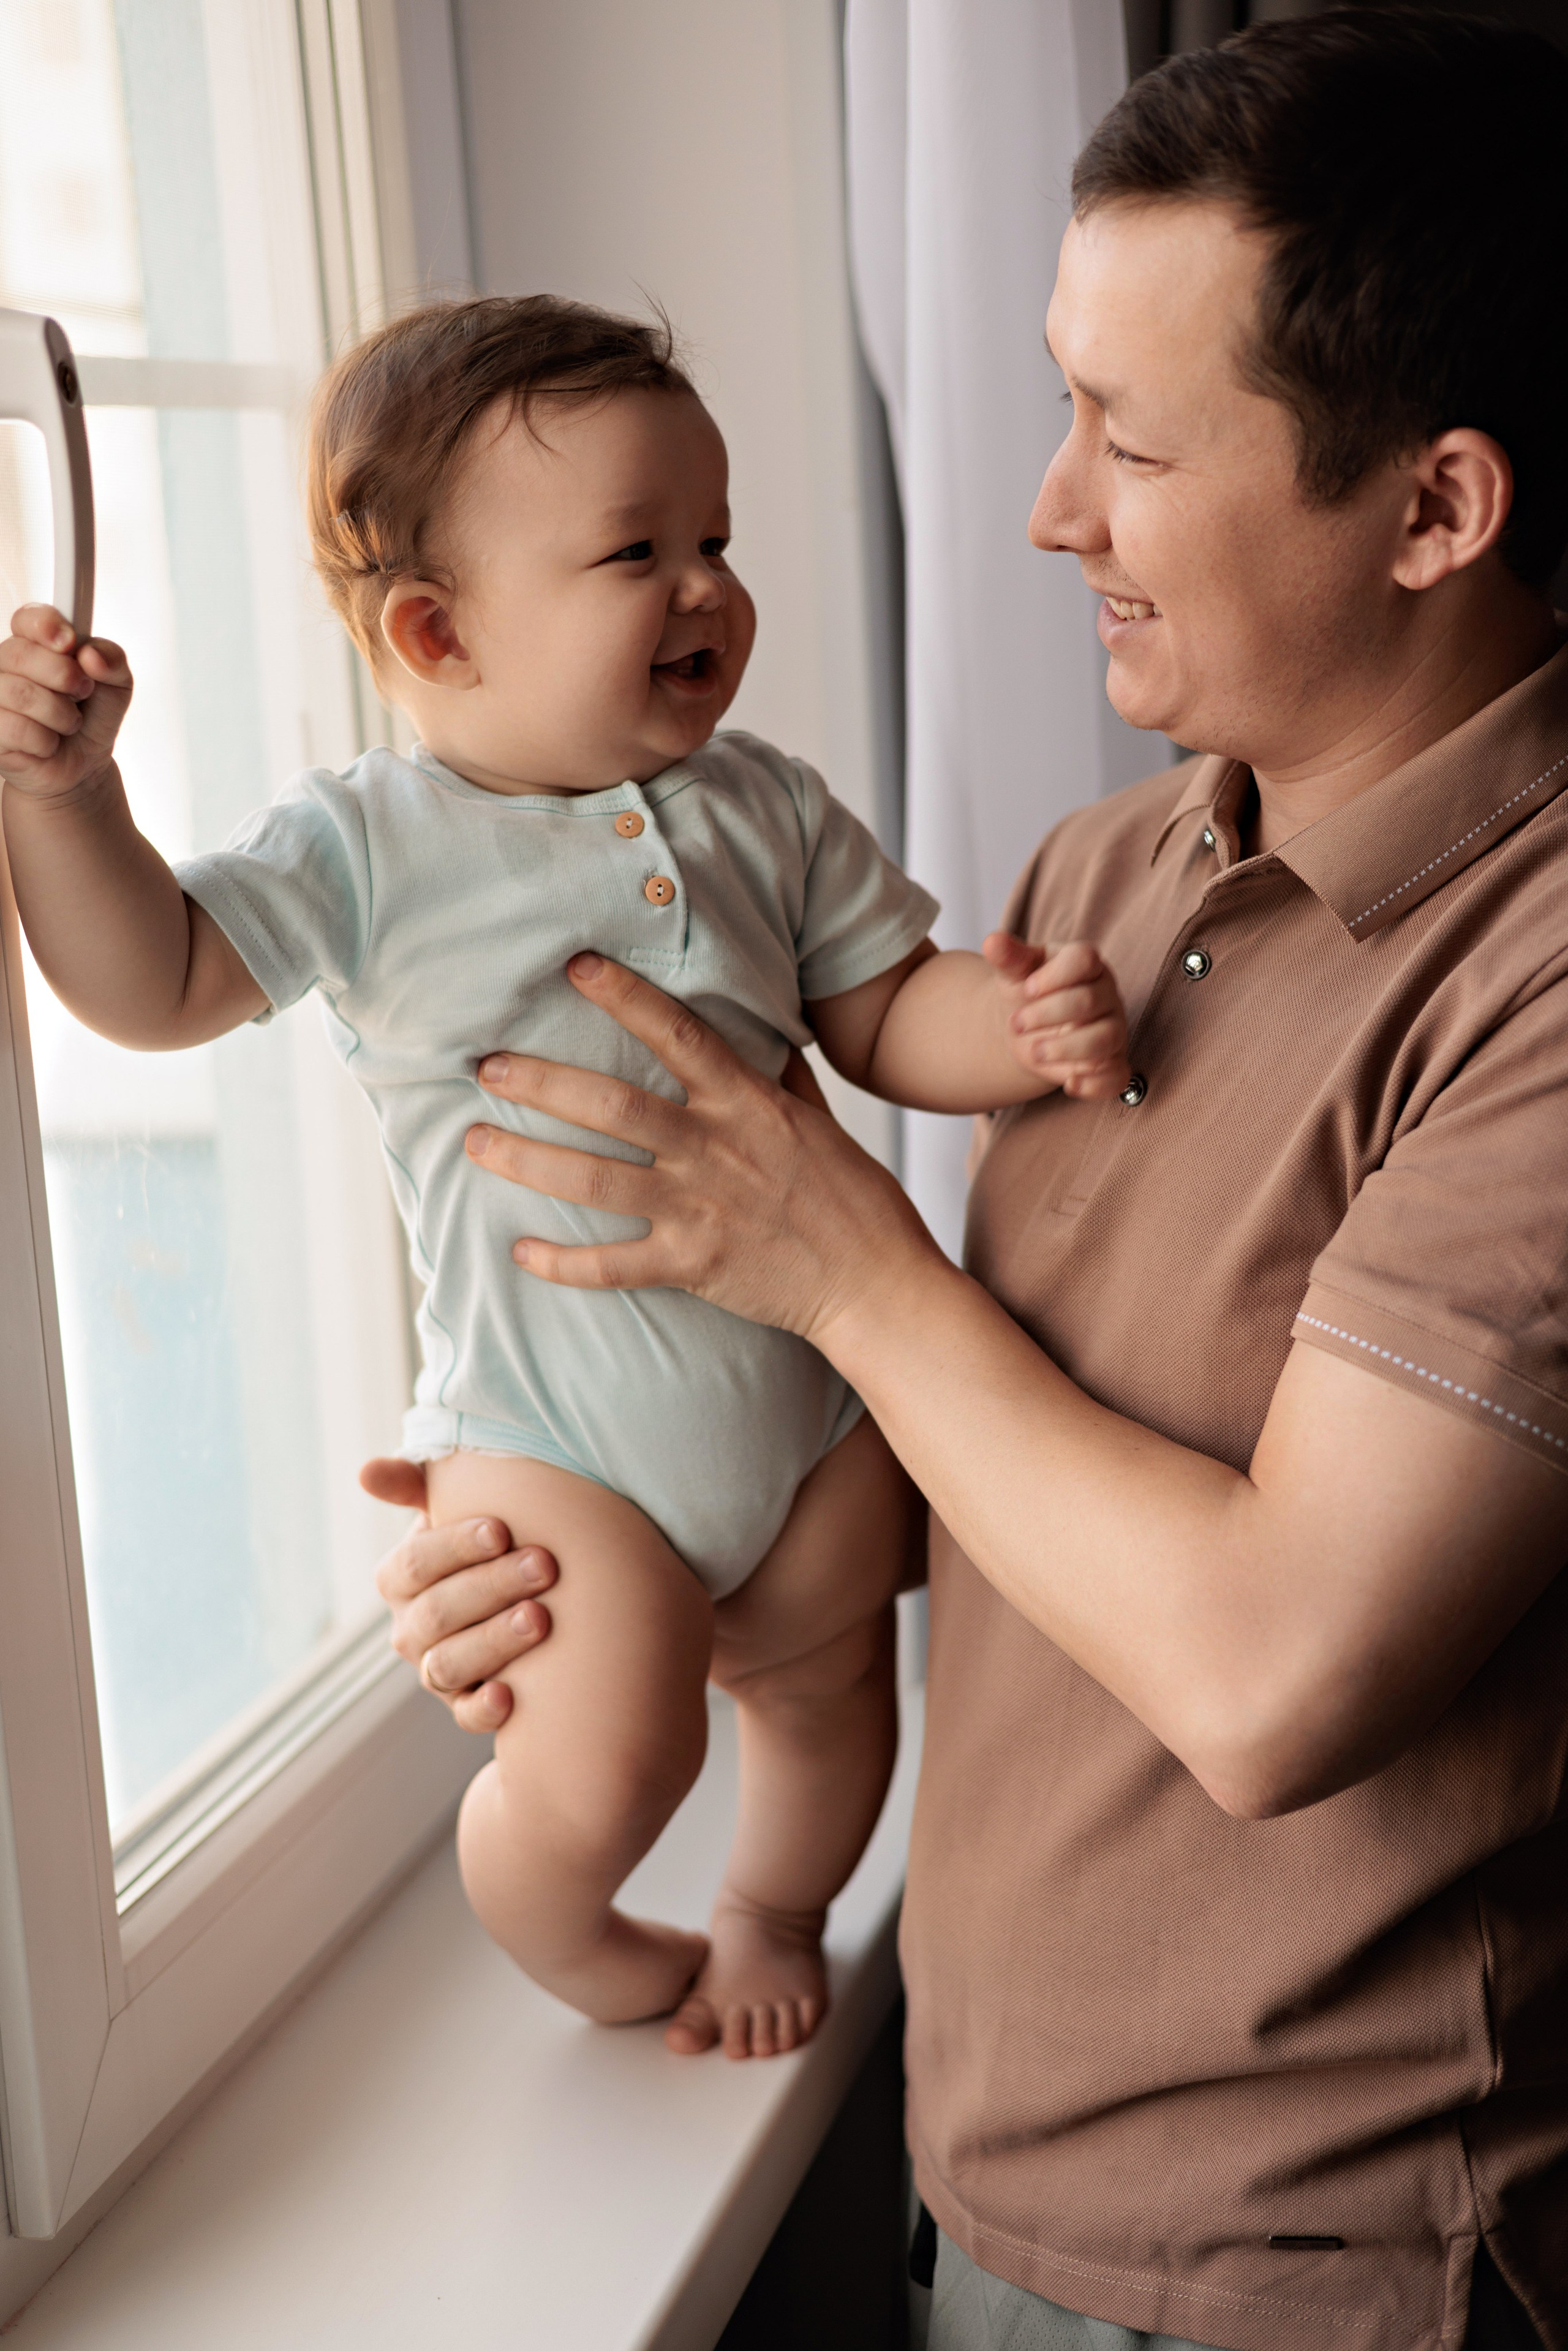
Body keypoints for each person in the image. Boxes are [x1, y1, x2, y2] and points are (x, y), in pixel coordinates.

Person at [368, 12, 1568, 2347]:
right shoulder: (1104, 874)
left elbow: (1269, 1670)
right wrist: (608, 1515)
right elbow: (1027, 1491)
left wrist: (836, 1263)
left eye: (1129, 434)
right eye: (1058, 400)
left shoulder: (1537, 976)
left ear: (1435, 509)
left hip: (1314, 2281)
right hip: (978, 2170)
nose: (1046, 506)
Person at [0, 294, 1132, 2062]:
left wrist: (1026, 1023)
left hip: (809, 1405)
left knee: (838, 1689)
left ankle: (772, 1904)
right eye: (638, 553)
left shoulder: (765, 805)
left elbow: (888, 1012)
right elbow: (153, 984)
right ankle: (552, 1915)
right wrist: (69, 807)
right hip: (560, 1439)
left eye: (717, 541)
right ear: (437, 631)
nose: (706, 588)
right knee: (615, 1753)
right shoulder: (368, 844)